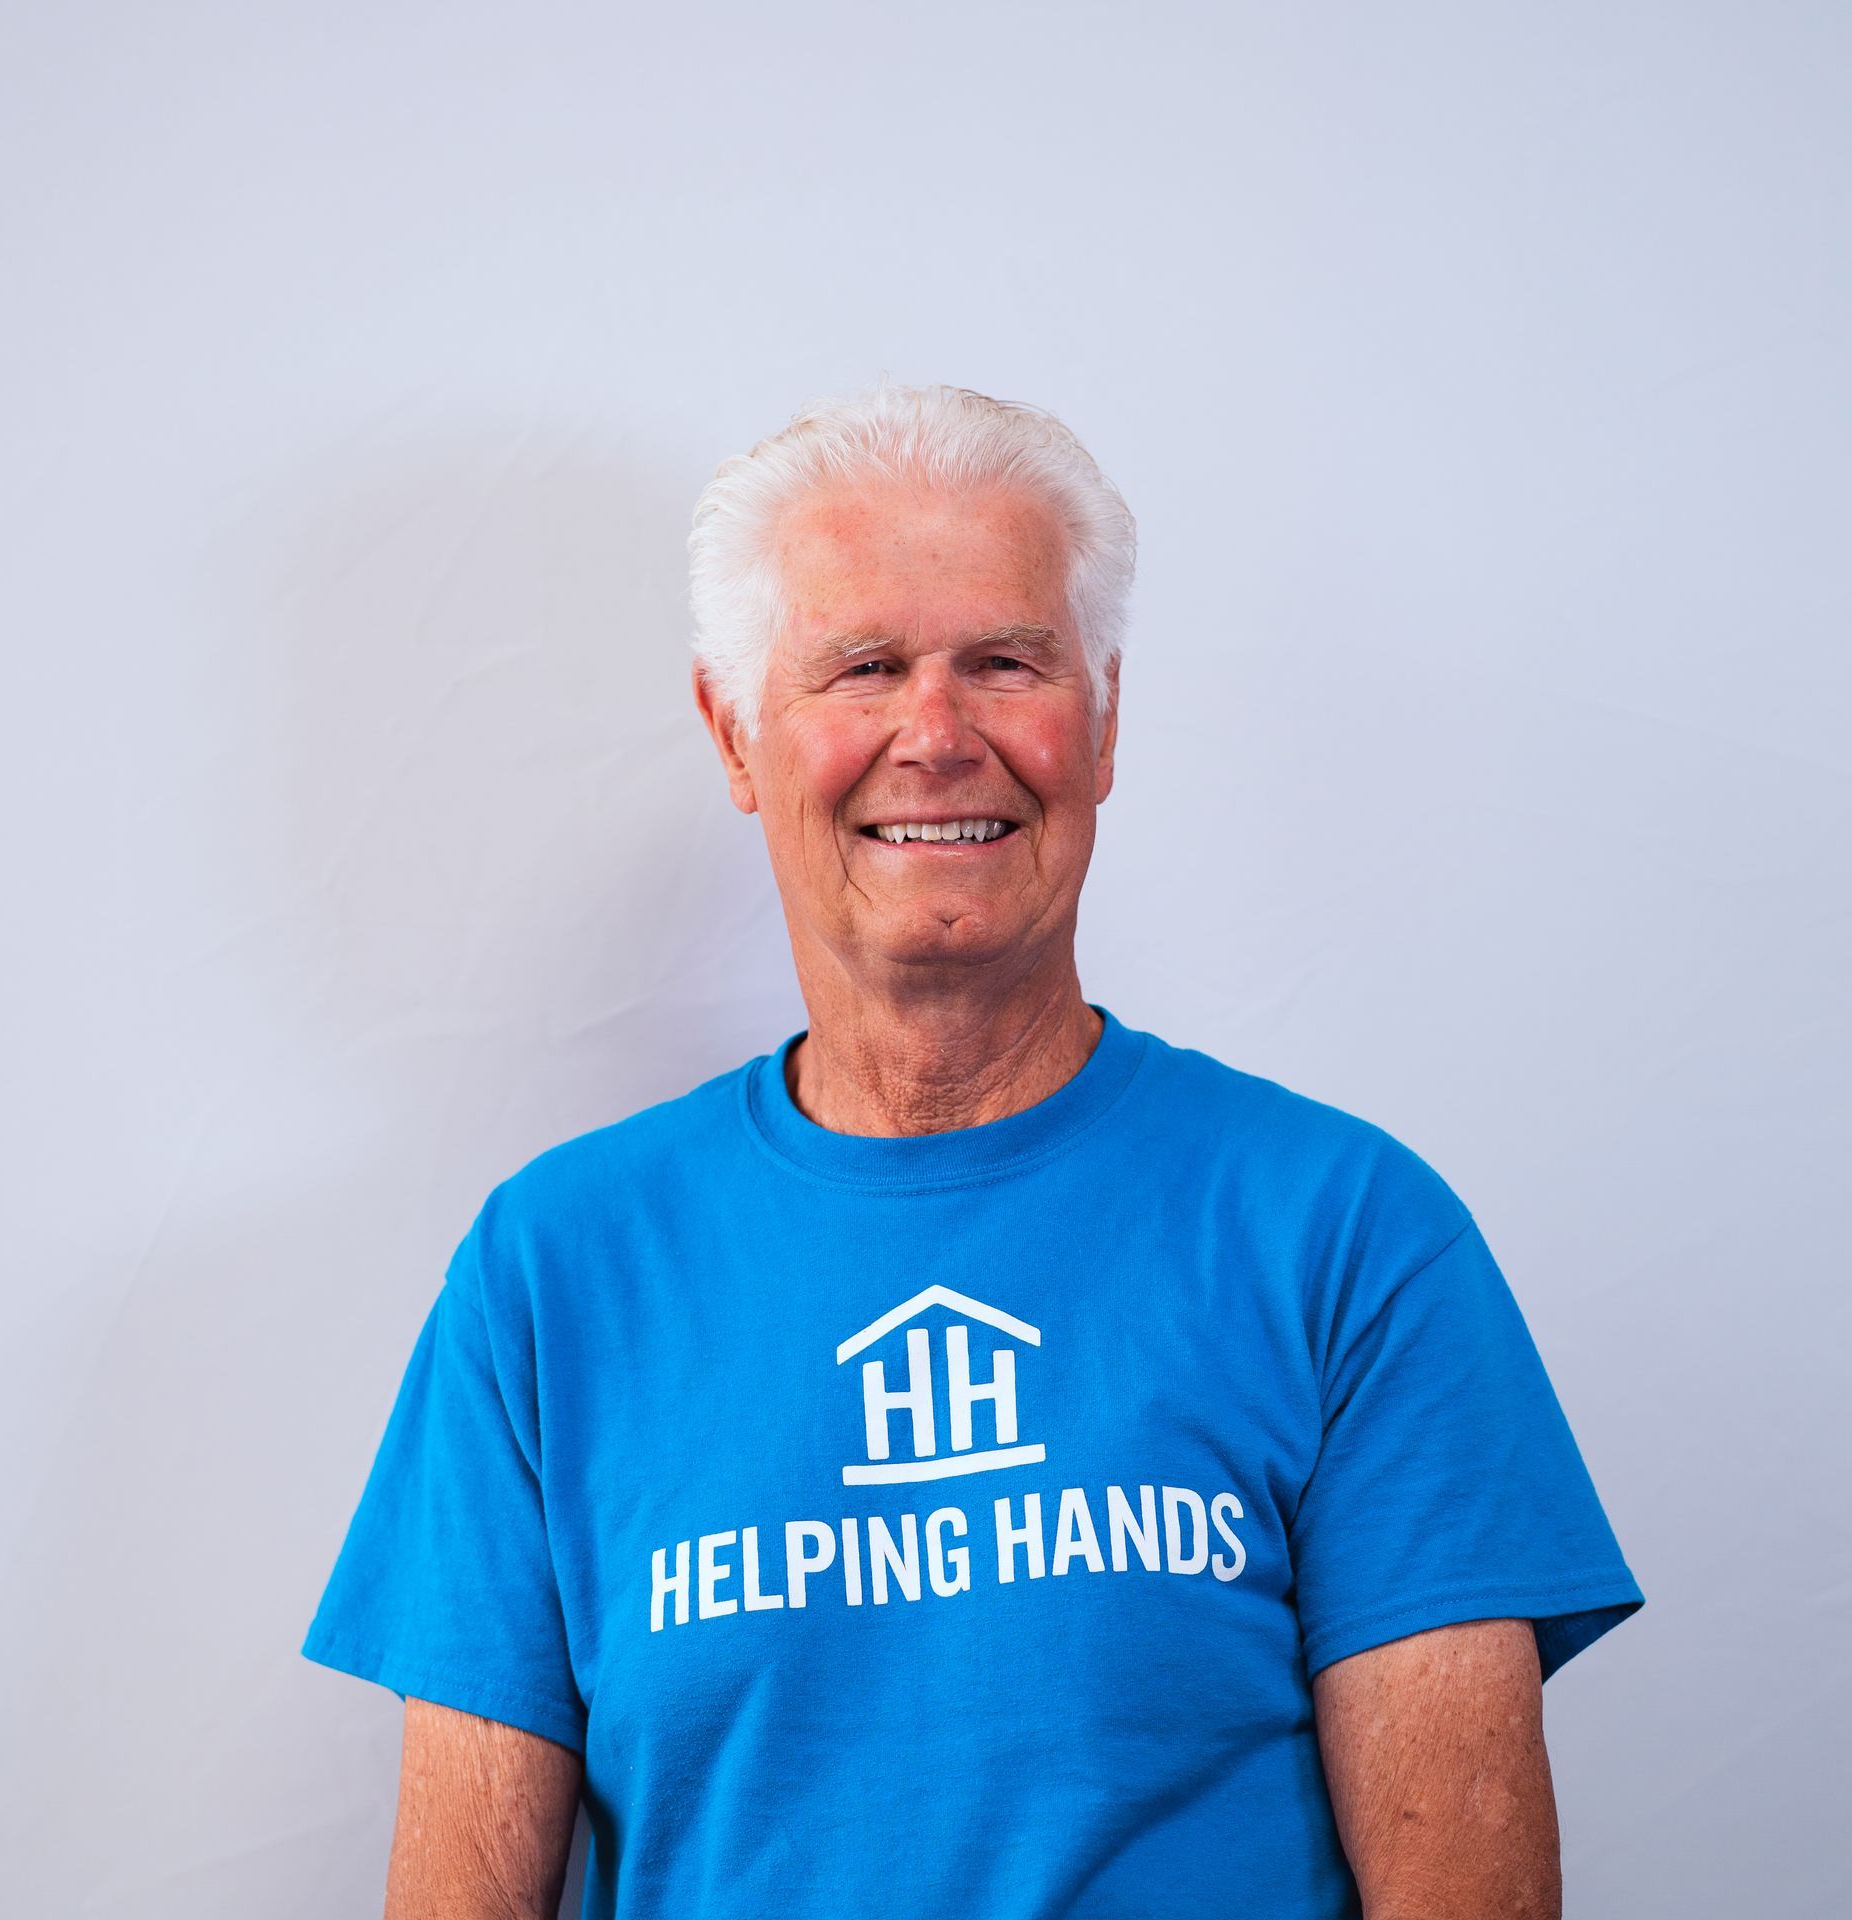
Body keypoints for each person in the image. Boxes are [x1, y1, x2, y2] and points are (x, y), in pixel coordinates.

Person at [301, 381, 1644, 1919]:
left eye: (1006, 663)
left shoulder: (1346, 1238)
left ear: (1106, 717)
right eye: (863, 668)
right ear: (734, 731)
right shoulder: (552, 1276)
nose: (936, 737)